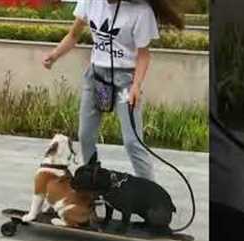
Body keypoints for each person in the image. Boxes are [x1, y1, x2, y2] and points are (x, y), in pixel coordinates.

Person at [42, 0, 183, 181]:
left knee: (132, 141)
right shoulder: (91, 2)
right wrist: (53, 56)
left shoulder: (140, 11)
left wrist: (136, 86)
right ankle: (92, 184)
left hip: (125, 83)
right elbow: (73, 35)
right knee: (85, 135)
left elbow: (143, 55)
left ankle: (149, 193)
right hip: (98, 80)